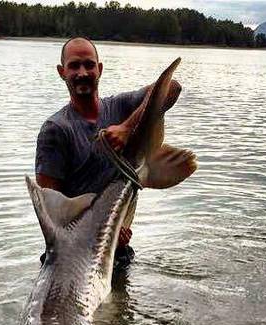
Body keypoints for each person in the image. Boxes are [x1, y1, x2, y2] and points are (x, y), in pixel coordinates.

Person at [35, 37, 181, 262]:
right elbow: (52, 215)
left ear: (99, 69)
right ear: (61, 72)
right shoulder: (55, 130)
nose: (82, 72)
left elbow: (172, 87)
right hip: (71, 256)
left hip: (117, 252)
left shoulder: (120, 106)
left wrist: (126, 127)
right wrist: (104, 230)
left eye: (89, 65)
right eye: (74, 66)